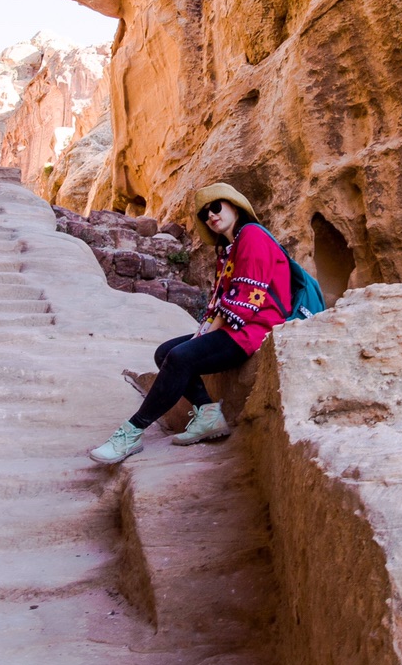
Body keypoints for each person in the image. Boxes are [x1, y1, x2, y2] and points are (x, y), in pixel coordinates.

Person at [90, 183, 291, 465]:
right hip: (237, 326)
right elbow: (219, 301)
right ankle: (208, 416)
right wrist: (202, 332)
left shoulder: (253, 236)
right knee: (165, 352)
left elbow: (246, 299)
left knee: (180, 357)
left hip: (255, 329)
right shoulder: (229, 249)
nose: (211, 215)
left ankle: (131, 433)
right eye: (205, 212)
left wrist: (203, 338)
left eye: (216, 207)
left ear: (235, 206)